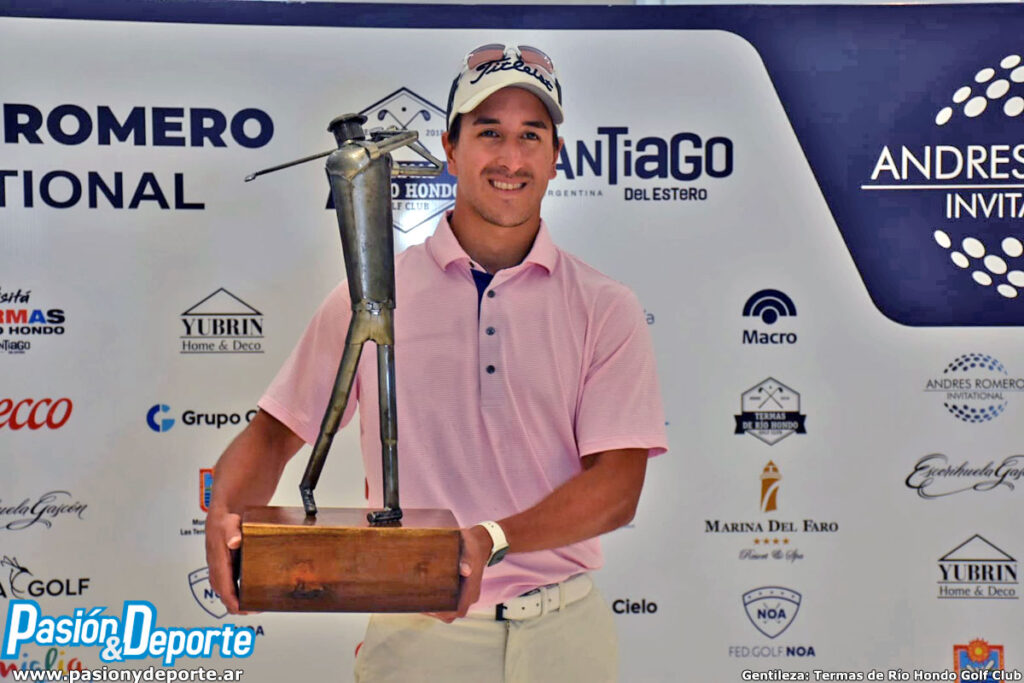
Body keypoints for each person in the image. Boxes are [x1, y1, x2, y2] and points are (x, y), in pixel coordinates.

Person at [205, 43, 668, 682]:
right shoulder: (370, 296)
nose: (511, 158)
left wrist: (492, 538)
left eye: (531, 136)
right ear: (451, 149)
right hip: (417, 633)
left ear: (556, 156)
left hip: (565, 637)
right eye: (489, 133)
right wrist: (224, 514)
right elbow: (273, 434)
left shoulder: (604, 306)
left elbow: (617, 488)